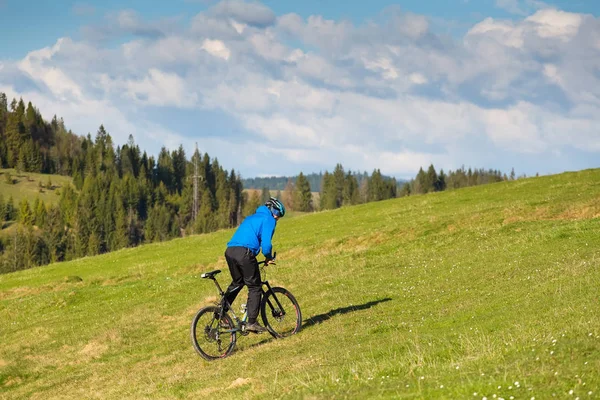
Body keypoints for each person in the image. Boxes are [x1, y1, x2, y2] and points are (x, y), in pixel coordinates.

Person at [221, 197, 286, 333]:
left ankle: (221, 314)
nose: (277, 217)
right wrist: (268, 257)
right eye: (277, 213)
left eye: (279, 215)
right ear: (271, 209)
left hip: (230, 251)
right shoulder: (269, 219)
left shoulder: (251, 217)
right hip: (245, 252)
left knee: (237, 282)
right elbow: (266, 245)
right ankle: (252, 322)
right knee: (255, 286)